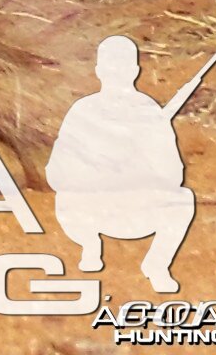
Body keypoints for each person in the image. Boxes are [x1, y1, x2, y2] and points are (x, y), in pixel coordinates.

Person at [45, 35, 200, 296]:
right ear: (99, 71)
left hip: (135, 211)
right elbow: (56, 172)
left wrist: (140, 164)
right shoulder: (82, 110)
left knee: (183, 199)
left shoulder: (149, 113)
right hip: (88, 211)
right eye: (112, 66)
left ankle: (156, 265)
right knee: (66, 198)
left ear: (135, 71)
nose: (116, 73)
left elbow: (173, 176)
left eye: (121, 66)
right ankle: (90, 245)